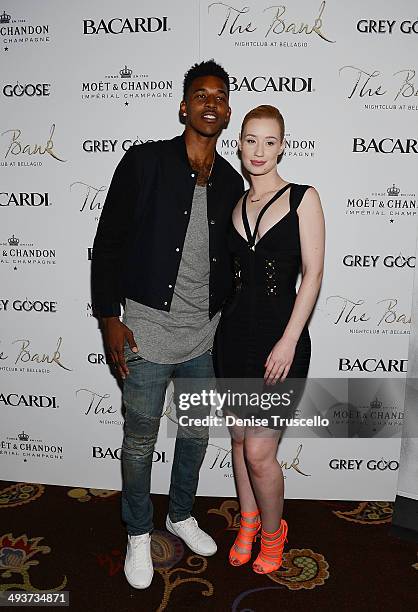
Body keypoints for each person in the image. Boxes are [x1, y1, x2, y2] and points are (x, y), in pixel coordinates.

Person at [91, 60, 244, 589]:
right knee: (139, 441)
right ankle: (138, 532)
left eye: (219, 96)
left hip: (204, 335)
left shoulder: (231, 181)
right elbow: (108, 243)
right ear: (185, 107)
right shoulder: (145, 162)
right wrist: (109, 317)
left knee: (197, 434)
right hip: (147, 331)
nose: (209, 102)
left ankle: (180, 513)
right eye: (199, 94)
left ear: (227, 113)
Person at [214, 105, 325, 574]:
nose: (259, 151)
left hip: (281, 341)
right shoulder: (234, 204)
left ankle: (275, 535)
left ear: (282, 145)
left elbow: (314, 275)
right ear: (238, 144)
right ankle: (249, 521)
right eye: (250, 140)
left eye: (269, 141)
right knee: (239, 439)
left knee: (260, 451)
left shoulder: (304, 198)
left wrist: (289, 340)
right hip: (234, 337)